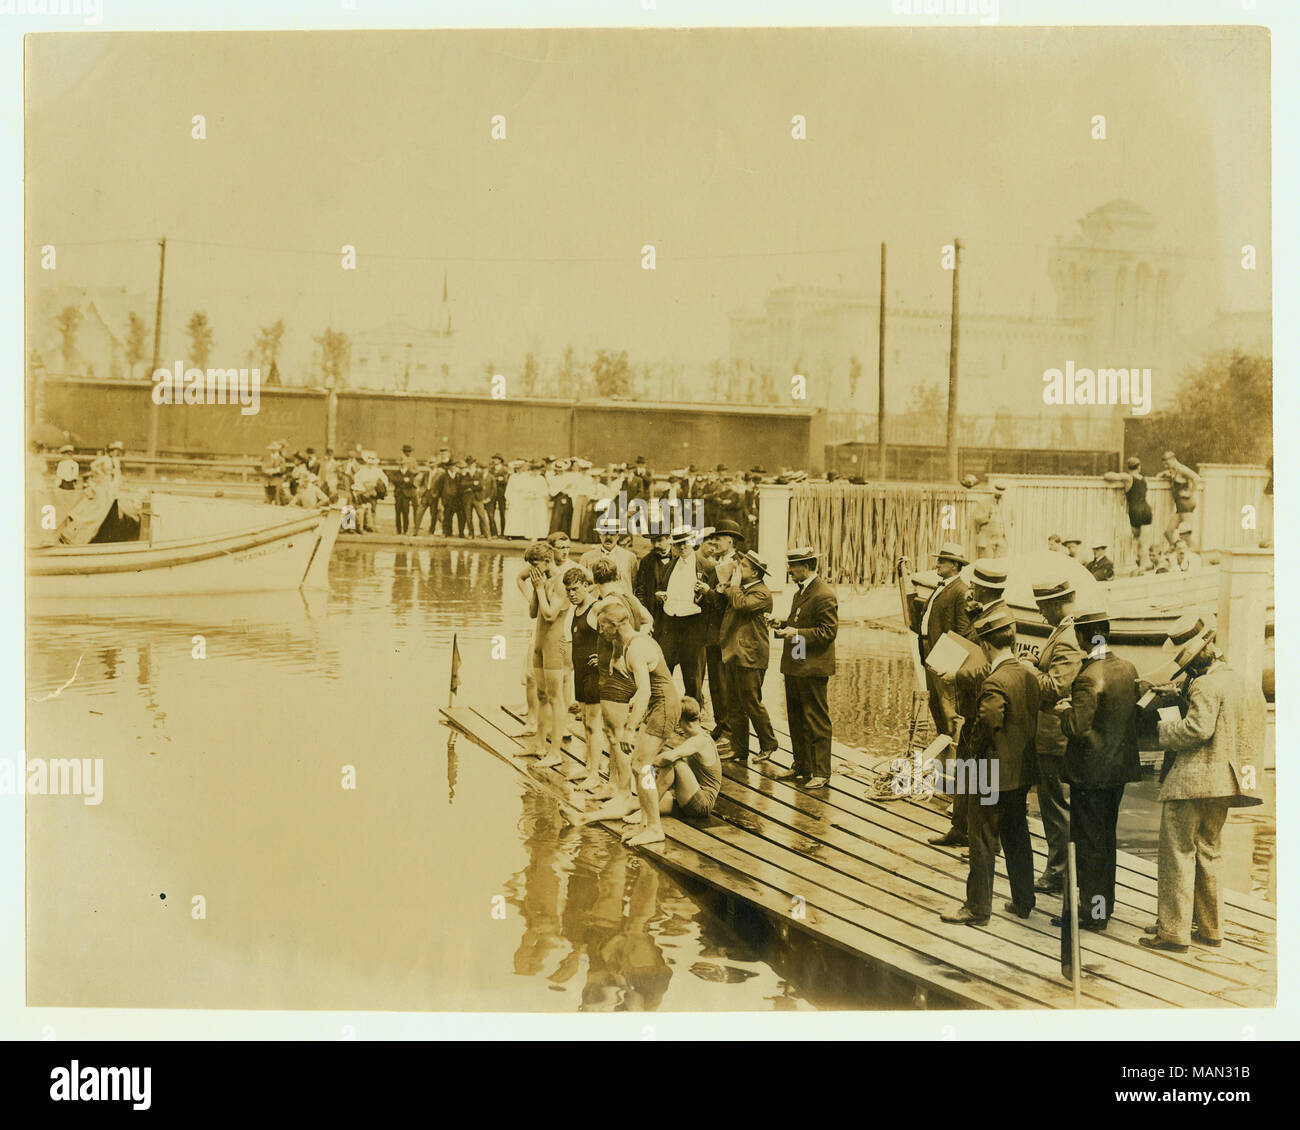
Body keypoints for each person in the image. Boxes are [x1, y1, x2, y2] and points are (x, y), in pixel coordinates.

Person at [1139, 616, 1264, 952]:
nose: (1187, 668)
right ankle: (1210, 928)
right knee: (1209, 852)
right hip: (1226, 784)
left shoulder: (1206, 685)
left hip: (1192, 783)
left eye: (1187, 662)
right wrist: (1181, 694)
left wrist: (1163, 728)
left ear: (1199, 655)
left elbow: (1197, 729)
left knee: (1177, 854)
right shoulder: (1243, 681)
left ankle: (1173, 932)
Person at [1053, 607, 1141, 976]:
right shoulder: (1127, 668)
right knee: (1106, 841)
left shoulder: (1088, 677)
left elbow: (1077, 726)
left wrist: (1062, 712)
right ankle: (1104, 909)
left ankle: (1090, 913)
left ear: (1084, 638)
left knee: (1087, 843)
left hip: (1090, 775)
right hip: (1117, 772)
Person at [941, 604, 1040, 927]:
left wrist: (970, 758)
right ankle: (1024, 900)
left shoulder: (994, 682)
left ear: (985, 645)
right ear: (1012, 639)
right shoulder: (1027, 674)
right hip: (1020, 771)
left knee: (981, 839)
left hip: (988, 772)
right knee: (1017, 834)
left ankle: (977, 908)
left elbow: (987, 726)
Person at [931, 558, 1006, 848]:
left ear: (987, 590)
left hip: (983, 704)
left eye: (976, 586)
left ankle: (983, 838)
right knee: (964, 766)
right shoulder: (985, 613)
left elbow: (992, 666)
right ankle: (960, 828)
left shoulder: (999, 619)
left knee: (981, 772)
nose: (971, 589)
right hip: (972, 704)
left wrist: (957, 674)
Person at [1027, 580, 1085, 894]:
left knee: (1055, 806)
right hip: (1052, 735)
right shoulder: (1065, 631)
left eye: (1042, 607)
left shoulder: (1066, 638)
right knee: (1054, 804)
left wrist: (1028, 670)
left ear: (1053, 605)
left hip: (1054, 737)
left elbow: (1054, 687)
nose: (1040, 613)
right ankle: (1060, 869)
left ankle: (1058, 873)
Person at [771, 546, 838, 789]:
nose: (789, 571)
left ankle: (821, 772)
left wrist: (795, 632)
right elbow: (799, 622)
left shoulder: (824, 594)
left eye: (793, 566)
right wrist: (782, 624)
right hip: (796, 666)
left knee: (816, 720)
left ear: (807, 567)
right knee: (796, 718)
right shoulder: (800, 592)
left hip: (813, 670)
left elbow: (828, 632)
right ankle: (801, 765)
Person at [899, 541, 971, 742]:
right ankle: (943, 745)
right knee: (936, 707)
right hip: (929, 653)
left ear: (955, 566)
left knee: (948, 708)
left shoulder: (961, 591)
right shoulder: (942, 588)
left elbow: (962, 631)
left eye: (942, 561)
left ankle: (954, 750)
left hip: (944, 658)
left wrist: (946, 662)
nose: (937, 564)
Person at [719, 549, 778, 764]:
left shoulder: (762, 593)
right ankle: (739, 748)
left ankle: (768, 744)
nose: (738, 568)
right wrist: (726, 588)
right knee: (734, 703)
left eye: (743, 566)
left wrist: (732, 586)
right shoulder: (743, 589)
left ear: (754, 573)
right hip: (736, 654)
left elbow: (742, 605)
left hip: (751, 657)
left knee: (752, 702)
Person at [522, 541, 570, 768]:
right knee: (541, 695)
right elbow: (534, 613)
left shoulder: (562, 582)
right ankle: (539, 745)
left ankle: (556, 752)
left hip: (555, 644)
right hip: (540, 643)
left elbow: (550, 615)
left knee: (555, 697)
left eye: (535, 564)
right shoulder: (542, 580)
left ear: (547, 561)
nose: (532, 568)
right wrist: (535, 588)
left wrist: (540, 589)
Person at [655, 526, 715, 702]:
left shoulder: (707, 566)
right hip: (671, 622)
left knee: (692, 674)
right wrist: (660, 595)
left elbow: (714, 600)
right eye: (678, 544)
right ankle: (665, 710)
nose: (682, 548)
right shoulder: (672, 564)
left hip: (693, 625)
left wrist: (704, 595)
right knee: (664, 669)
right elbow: (663, 587)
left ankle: (692, 716)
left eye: (686, 543)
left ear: (693, 542)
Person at [563, 567, 606, 793]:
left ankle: (595, 774)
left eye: (575, 589)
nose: (571, 594)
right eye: (568, 590)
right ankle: (588, 766)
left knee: (593, 724)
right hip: (580, 673)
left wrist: (604, 657)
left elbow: (615, 633)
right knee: (584, 723)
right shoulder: (577, 608)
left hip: (594, 675)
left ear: (586, 585)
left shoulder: (596, 607)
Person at [648, 697, 722, 820]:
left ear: (679, 720)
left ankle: (646, 814)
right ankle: (645, 811)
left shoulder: (700, 740)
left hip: (701, 804)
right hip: (689, 797)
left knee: (674, 762)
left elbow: (669, 757)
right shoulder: (698, 737)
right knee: (641, 803)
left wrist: (646, 763)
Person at [1103, 456, 1153, 561]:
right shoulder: (1143, 479)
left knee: (1135, 540)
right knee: (1144, 542)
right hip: (1146, 509)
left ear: (1128, 467)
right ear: (1139, 467)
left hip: (1135, 510)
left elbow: (1108, 476)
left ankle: (1136, 562)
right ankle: (1144, 563)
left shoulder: (1129, 478)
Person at [634, 532, 675, 638]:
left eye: (660, 540)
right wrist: (646, 618)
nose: (656, 545)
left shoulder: (679, 558)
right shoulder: (646, 561)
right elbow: (640, 592)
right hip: (654, 617)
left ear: (669, 538)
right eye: (653, 541)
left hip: (675, 617)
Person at [580, 515, 638, 590]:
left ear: (618, 536)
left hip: (621, 600)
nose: (608, 538)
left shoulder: (629, 557)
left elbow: (634, 583)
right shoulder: (587, 558)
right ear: (600, 535)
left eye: (612, 534)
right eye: (605, 534)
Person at [1159, 451, 1201, 548]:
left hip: (1186, 505)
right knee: (1168, 532)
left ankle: (1195, 557)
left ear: (1173, 459)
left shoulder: (1182, 469)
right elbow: (1172, 476)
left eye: (1167, 463)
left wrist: (1190, 492)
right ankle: (1177, 551)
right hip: (1180, 506)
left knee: (1187, 535)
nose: (1166, 466)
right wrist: (1164, 474)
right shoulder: (1174, 470)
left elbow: (1197, 478)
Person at [972, 482, 1011, 558]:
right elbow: (977, 519)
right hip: (988, 540)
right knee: (987, 564)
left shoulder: (1007, 504)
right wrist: (988, 515)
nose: (999, 496)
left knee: (1000, 564)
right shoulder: (983, 502)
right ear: (994, 492)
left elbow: (1011, 521)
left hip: (1001, 539)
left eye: (1001, 494)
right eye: (997, 494)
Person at [393, 444, 418, 534]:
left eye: (409, 451)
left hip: (407, 492)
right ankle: (399, 530)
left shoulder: (413, 461)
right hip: (399, 493)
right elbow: (395, 480)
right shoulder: (397, 472)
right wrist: (404, 480)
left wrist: (408, 476)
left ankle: (407, 528)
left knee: (407, 512)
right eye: (406, 451)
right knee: (398, 513)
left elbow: (412, 479)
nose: (408, 453)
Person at [487, 454, 510, 536]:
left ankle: (504, 532)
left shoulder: (504, 469)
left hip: (501, 493)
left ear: (500, 460)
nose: (494, 461)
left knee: (502, 513)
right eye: (494, 459)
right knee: (491, 513)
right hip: (492, 493)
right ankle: (494, 532)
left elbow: (505, 481)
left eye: (496, 459)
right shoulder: (490, 469)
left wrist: (498, 479)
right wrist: (498, 479)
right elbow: (488, 479)